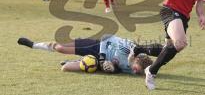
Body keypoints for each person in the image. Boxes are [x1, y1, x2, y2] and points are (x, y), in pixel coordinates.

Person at [17, 35, 163, 74]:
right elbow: (107, 37)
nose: (134, 71)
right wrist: (103, 58)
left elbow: (119, 70)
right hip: (95, 46)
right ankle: (33, 44)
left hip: (97, 64)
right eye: (137, 68)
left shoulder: (132, 70)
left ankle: (80, 60)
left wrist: (113, 69)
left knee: (65, 68)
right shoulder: (129, 48)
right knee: (60, 48)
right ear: (137, 59)